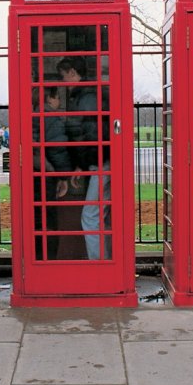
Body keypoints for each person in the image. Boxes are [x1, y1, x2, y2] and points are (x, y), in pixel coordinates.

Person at [61, 57, 111, 260]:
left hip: (100, 161)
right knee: (100, 215)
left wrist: (82, 165)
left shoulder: (86, 97)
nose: (64, 83)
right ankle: (106, 262)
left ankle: (99, 266)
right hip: (100, 160)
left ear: (72, 72)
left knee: (90, 216)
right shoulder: (85, 95)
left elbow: (91, 133)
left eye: (64, 77)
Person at [32, 86, 71, 259]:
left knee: (36, 220)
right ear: (49, 99)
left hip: (33, 172)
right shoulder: (52, 119)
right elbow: (59, 150)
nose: (60, 102)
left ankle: (37, 260)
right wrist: (63, 177)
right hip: (47, 174)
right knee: (49, 221)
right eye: (58, 98)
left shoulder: (32, 115)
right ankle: (48, 261)